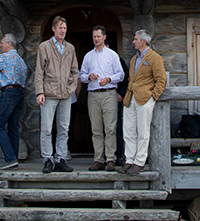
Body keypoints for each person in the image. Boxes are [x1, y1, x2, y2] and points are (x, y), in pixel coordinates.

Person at [34, 16, 79, 173]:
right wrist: (40, 92)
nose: (62, 31)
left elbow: (75, 71)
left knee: (63, 128)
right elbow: (39, 71)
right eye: (60, 28)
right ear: (53, 29)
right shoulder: (44, 47)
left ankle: (60, 158)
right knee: (46, 128)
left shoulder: (70, 48)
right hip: (49, 94)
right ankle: (48, 159)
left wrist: (70, 89)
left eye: (65, 28)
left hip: (65, 95)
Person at [79, 25, 125, 171]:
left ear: (104, 37)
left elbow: (121, 74)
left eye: (98, 36)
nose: (96, 39)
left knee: (110, 128)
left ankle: (110, 158)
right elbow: (81, 75)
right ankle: (98, 159)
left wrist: (109, 79)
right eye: (94, 36)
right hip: (93, 94)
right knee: (96, 129)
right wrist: (88, 76)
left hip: (109, 93)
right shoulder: (88, 56)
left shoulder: (112, 55)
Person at [122, 29, 166, 175]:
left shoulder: (155, 58)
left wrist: (153, 97)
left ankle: (139, 162)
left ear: (143, 41)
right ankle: (129, 160)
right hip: (131, 98)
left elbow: (161, 80)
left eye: (135, 39)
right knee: (128, 130)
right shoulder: (134, 59)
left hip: (144, 99)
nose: (133, 42)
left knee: (143, 131)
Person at [0, 33, 28, 170]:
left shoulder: (5, 57)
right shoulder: (21, 60)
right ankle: (14, 159)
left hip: (8, 92)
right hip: (20, 93)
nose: (0, 45)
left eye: (2, 43)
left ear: (9, 44)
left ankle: (10, 158)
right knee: (13, 128)